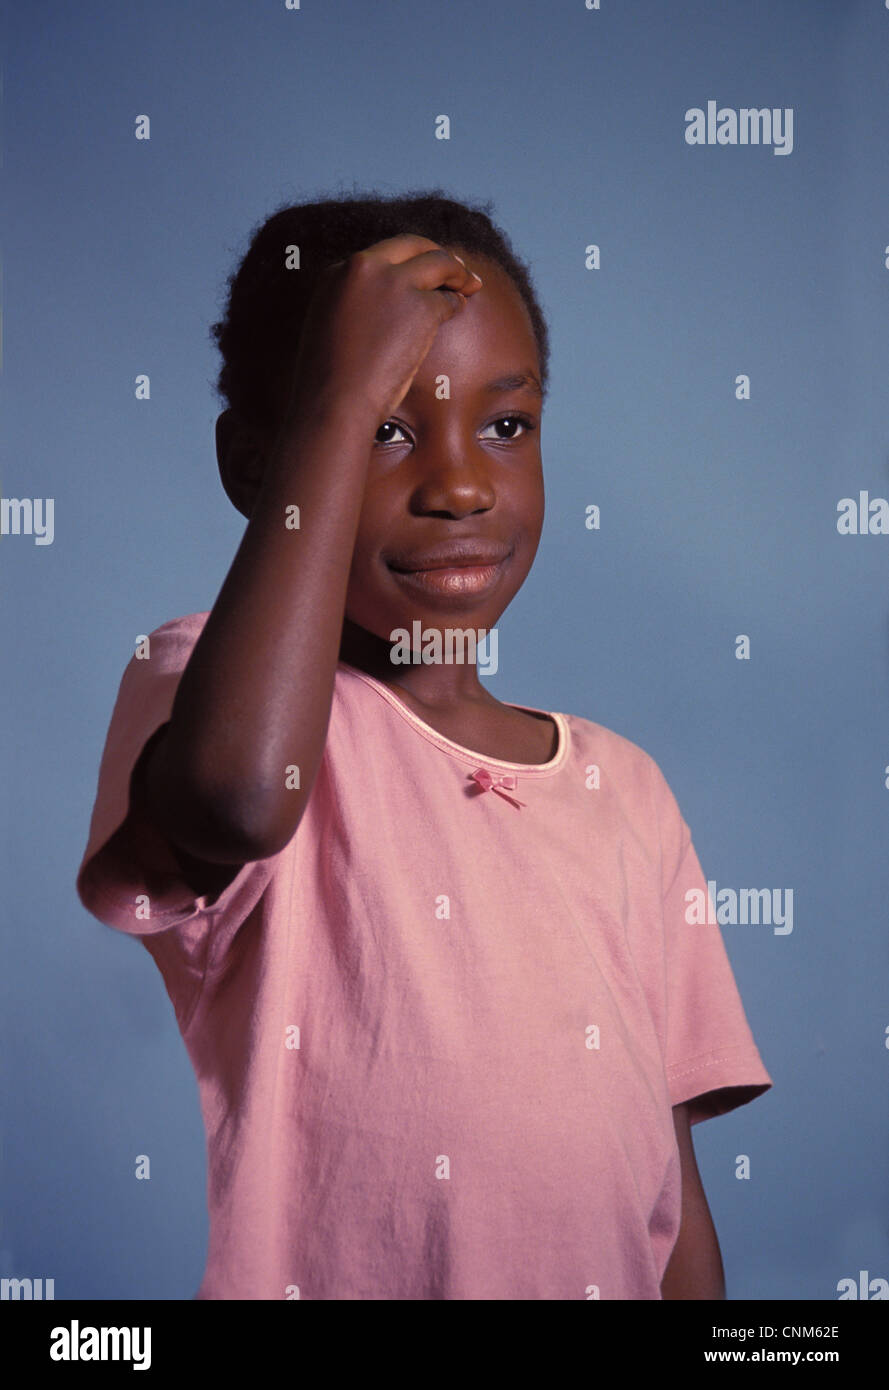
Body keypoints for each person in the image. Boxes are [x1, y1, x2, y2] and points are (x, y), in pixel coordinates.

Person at [76, 188, 772, 1300]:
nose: (458, 485)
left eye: (506, 426)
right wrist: (335, 400)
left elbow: (671, 1202)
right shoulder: (210, 687)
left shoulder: (625, 791)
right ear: (262, 464)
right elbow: (240, 798)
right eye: (388, 430)